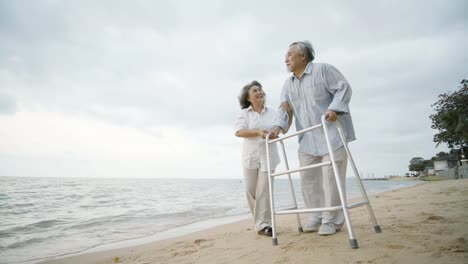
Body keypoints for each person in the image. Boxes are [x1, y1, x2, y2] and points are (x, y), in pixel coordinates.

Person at [270, 41, 355, 236]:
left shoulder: (323, 70)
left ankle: (332, 220)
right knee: (308, 179)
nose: (286, 58)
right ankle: (315, 217)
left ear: (303, 56)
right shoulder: (287, 84)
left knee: (330, 178)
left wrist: (334, 109)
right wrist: (277, 127)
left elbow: (343, 89)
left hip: (331, 134)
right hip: (307, 139)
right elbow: (285, 108)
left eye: (290, 54)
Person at [234, 80, 280, 237]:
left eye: (260, 90)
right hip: (250, 156)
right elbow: (239, 132)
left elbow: (278, 128)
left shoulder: (273, 112)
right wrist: (258, 133)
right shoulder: (244, 114)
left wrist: (274, 132)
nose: (259, 92)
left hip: (269, 154)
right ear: (248, 97)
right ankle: (260, 222)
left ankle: (264, 225)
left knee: (264, 191)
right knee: (251, 190)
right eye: (255, 90)